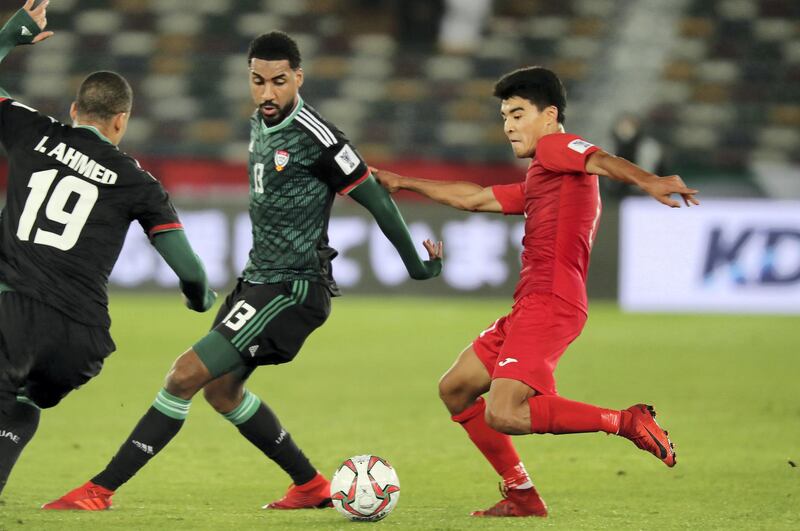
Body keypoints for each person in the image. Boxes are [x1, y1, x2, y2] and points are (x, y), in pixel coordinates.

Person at [44, 31, 442, 511]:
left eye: (278, 81)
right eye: (257, 81)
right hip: (257, 280)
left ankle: (99, 490)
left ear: (298, 77)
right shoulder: (261, 121)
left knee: (183, 376)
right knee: (221, 390)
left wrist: (417, 266)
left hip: (291, 287)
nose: (267, 93)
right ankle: (310, 484)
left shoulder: (320, 137)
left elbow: (377, 198)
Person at [373, 66, 699, 517]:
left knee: (504, 412)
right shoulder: (544, 176)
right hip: (532, 303)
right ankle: (522, 495)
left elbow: (601, 158)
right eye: (505, 115)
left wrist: (649, 181)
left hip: (551, 301)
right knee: (456, 389)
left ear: (549, 116)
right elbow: (476, 198)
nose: (508, 125)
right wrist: (402, 182)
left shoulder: (555, 145)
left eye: (518, 113)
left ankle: (625, 421)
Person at [0, 1, 217, 496]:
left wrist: (10, 36)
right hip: (80, 338)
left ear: (74, 110)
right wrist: (199, 298)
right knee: (28, 401)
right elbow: (190, 270)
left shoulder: (32, 131)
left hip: (11, 313)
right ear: (121, 121)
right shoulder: (138, 182)